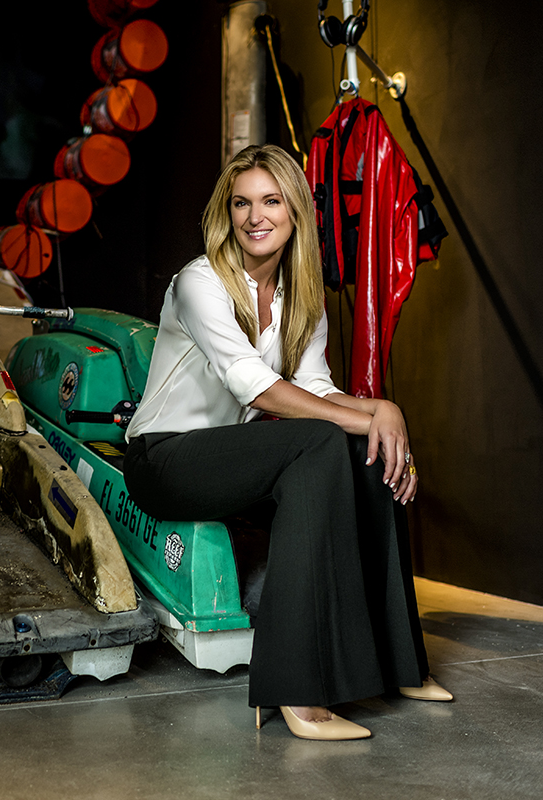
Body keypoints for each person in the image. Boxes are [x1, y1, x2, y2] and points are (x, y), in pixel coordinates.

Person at [123, 144, 451, 741]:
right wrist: (372, 414)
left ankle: (399, 664)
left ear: (295, 210)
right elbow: (258, 389)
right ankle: (295, 688)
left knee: (357, 449)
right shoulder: (201, 282)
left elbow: (318, 389)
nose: (256, 216)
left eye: (271, 201)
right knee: (326, 442)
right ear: (228, 214)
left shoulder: (302, 297)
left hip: (228, 457)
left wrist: (384, 413)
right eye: (242, 203)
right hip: (164, 460)